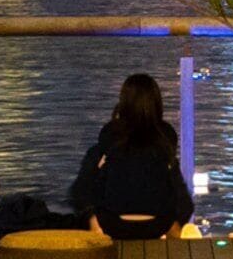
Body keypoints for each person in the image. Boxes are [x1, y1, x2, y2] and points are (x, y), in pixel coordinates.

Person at [67, 73, 195, 239]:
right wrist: (176, 220)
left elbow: (80, 189)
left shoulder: (109, 141)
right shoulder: (163, 143)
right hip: (158, 224)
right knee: (171, 213)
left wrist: (90, 215)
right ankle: (177, 255)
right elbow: (181, 198)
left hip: (112, 222)